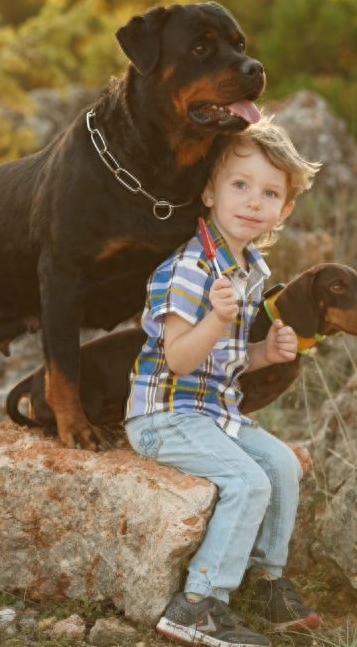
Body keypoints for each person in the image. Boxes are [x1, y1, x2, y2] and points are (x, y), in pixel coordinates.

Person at [125, 116, 322, 647]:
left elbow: (227, 363)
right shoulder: (189, 268)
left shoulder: (250, 268)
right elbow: (181, 359)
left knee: (281, 465)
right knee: (247, 481)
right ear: (210, 191)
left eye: (269, 193)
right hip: (165, 417)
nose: (253, 201)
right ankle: (198, 604)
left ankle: (263, 582)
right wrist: (214, 319)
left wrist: (265, 352)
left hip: (215, 413)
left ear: (284, 209)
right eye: (240, 185)